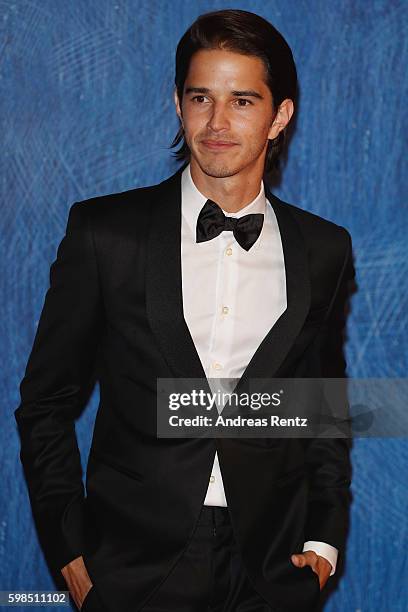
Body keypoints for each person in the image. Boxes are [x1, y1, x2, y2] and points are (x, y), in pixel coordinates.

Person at [15, 9, 355, 612]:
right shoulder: (106, 235)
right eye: (202, 98)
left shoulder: (324, 250)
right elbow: (45, 401)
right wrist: (69, 546)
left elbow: (321, 405)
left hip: (272, 569)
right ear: (179, 104)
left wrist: (325, 539)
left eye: (243, 101)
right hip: (134, 567)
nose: (217, 123)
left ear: (280, 115)